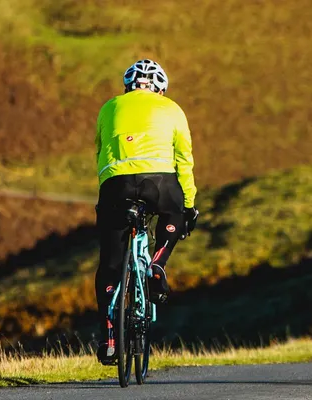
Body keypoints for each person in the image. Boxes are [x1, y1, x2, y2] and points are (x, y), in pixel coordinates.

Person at [94, 59, 200, 365]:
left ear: (128, 86)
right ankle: (157, 265)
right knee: (174, 213)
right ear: (161, 89)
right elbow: (184, 160)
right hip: (160, 182)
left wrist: (109, 191)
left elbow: (100, 150)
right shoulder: (173, 109)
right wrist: (189, 206)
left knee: (110, 265)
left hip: (116, 184)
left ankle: (110, 338)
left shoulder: (109, 107)